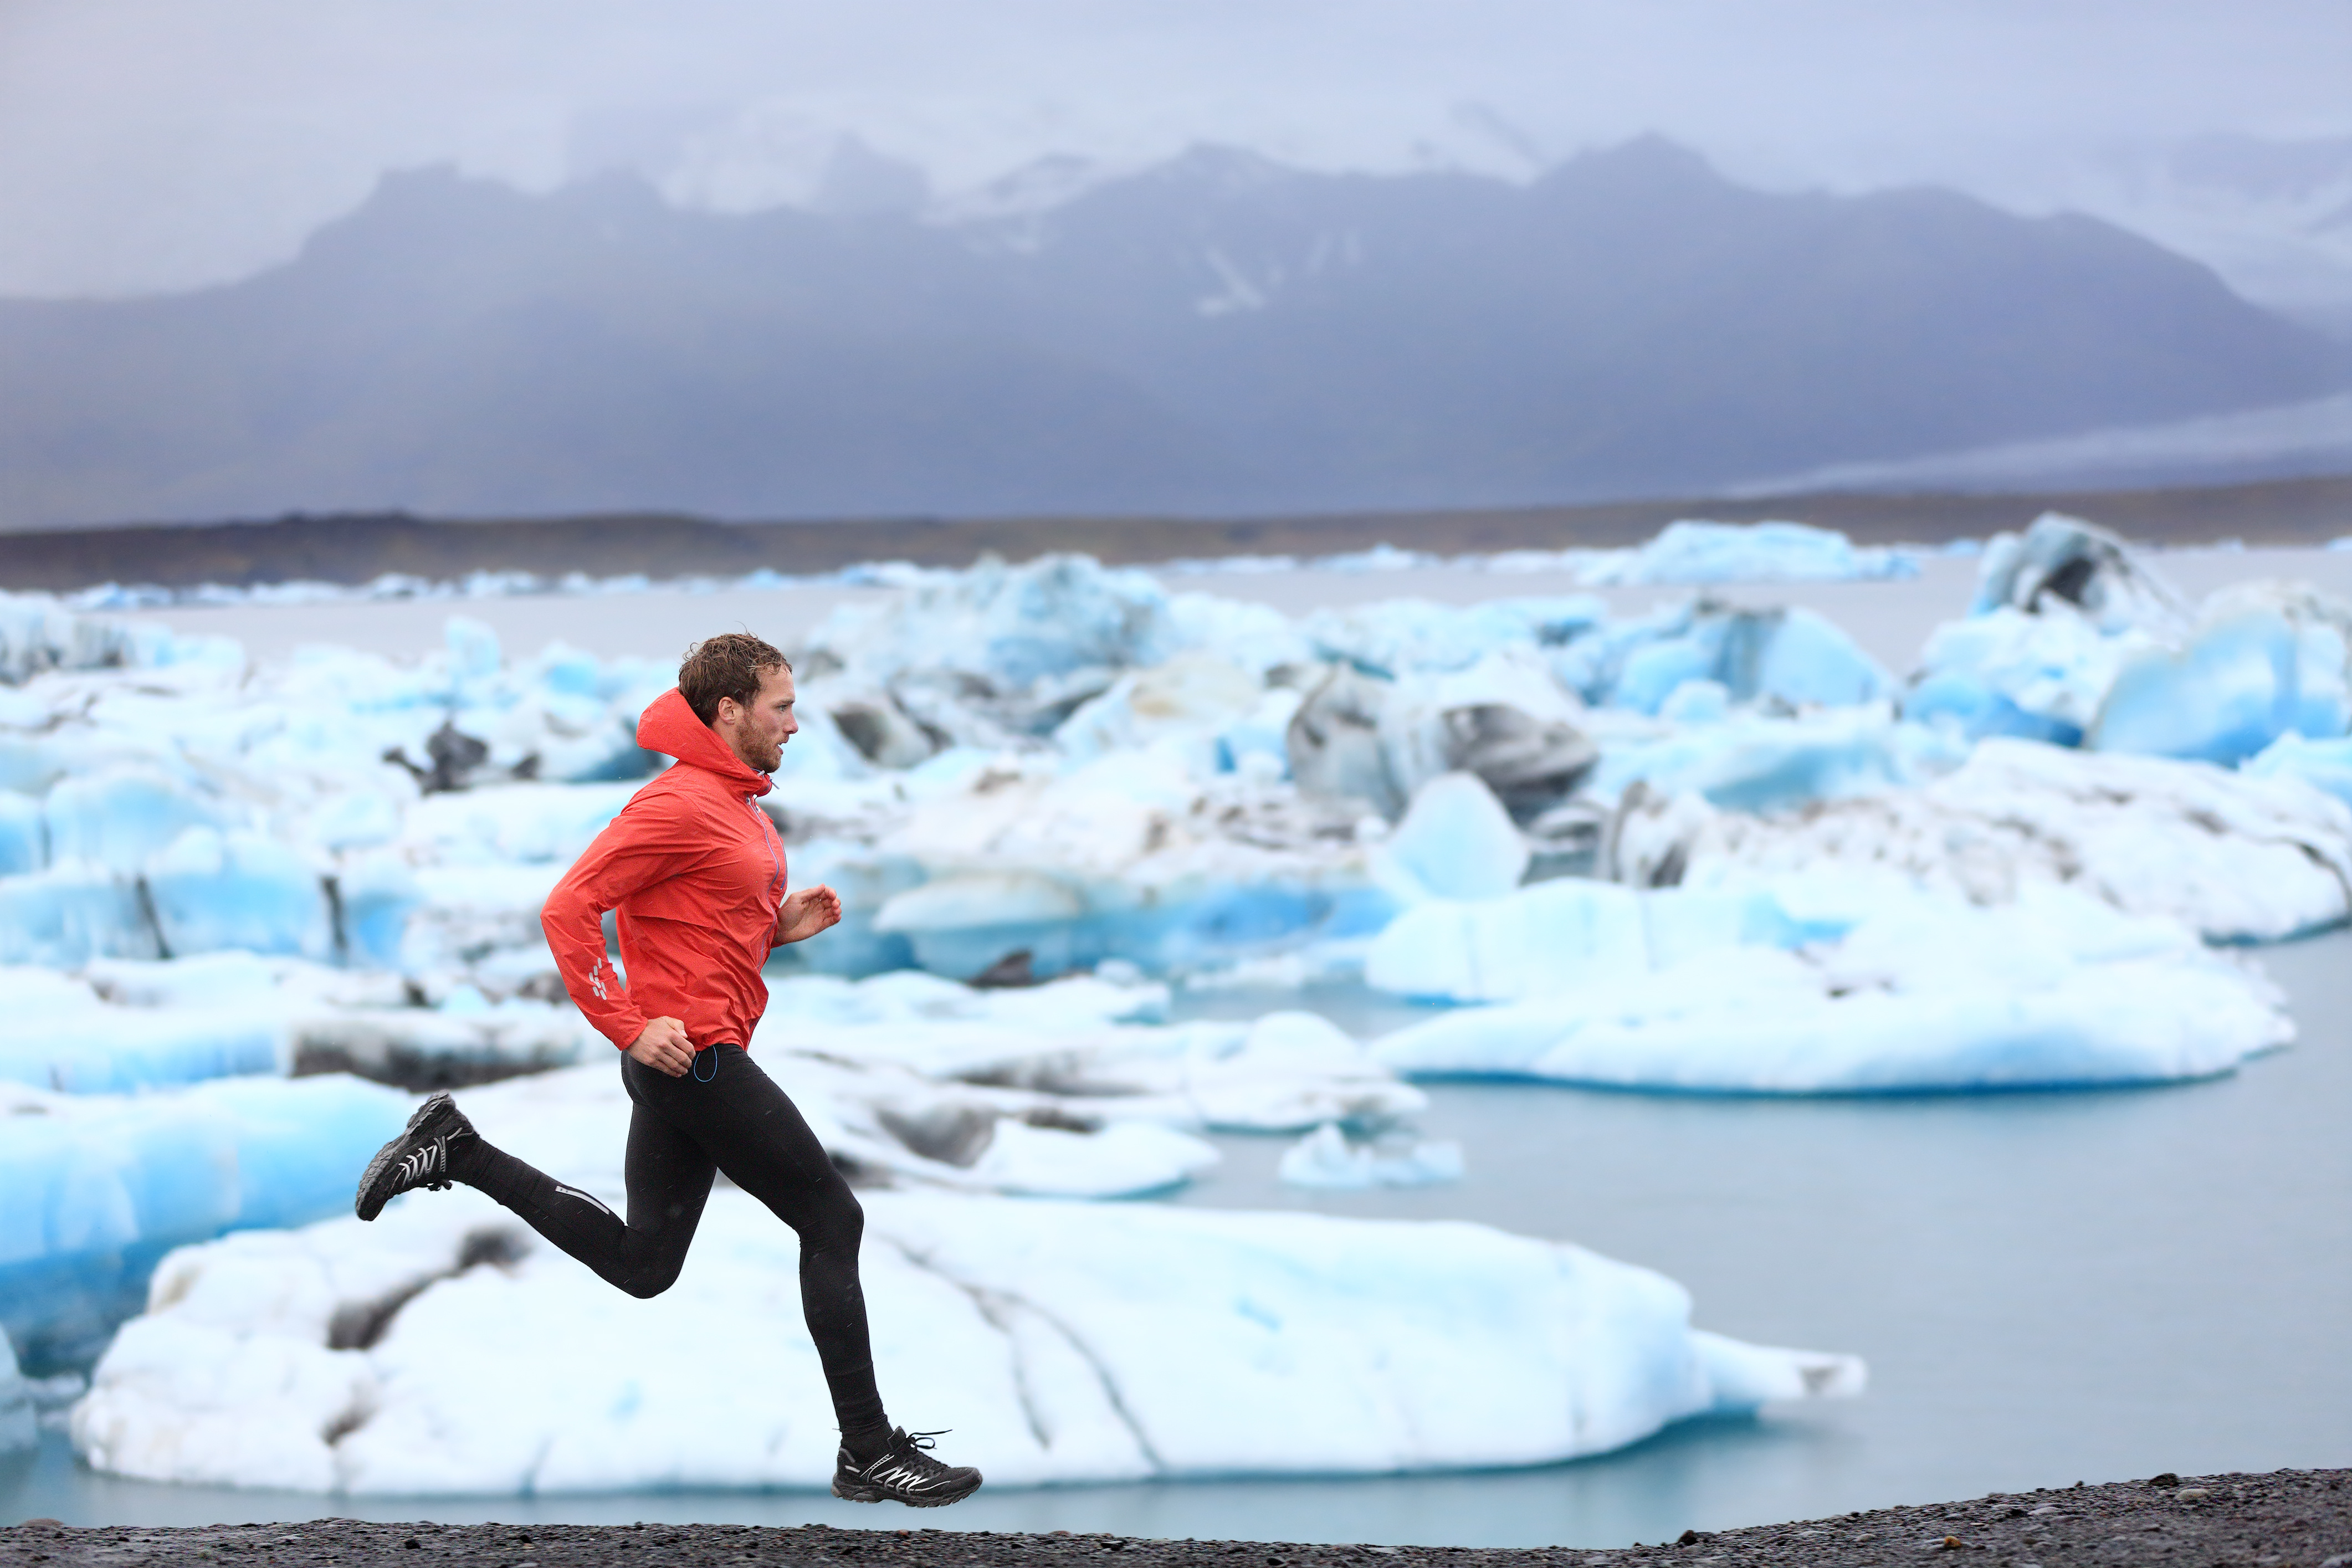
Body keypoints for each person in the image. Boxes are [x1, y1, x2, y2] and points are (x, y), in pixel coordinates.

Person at [352, 632, 982, 1509]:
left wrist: (774, 927)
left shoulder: (737, 804)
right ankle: (869, 1450)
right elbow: (569, 906)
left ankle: (457, 1149)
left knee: (645, 1264)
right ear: (729, 710)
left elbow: (691, 916)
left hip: (691, 1053)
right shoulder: (677, 803)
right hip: (694, 1059)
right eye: (782, 707)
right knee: (832, 1217)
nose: (796, 724)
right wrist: (623, 1023)